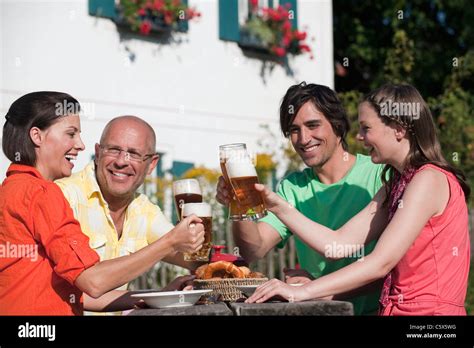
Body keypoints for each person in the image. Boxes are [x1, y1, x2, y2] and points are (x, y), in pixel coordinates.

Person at [246, 83, 471, 316]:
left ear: (398, 129)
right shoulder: (396, 183)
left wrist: (303, 291)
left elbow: (379, 263)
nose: (359, 136)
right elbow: (338, 244)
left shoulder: (428, 180)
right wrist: (277, 205)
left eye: (366, 128)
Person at [0, 91, 205, 315]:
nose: (80, 144)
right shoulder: (44, 193)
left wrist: (159, 296)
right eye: (71, 134)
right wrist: (170, 242)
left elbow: (81, 293)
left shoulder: (13, 188)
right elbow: (93, 282)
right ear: (37, 136)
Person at [216, 82, 385, 315]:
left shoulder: (379, 174)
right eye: (294, 130)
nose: (304, 138)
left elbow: (388, 267)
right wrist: (238, 203)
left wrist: (314, 288)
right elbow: (253, 250)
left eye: (313, 125)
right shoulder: (292, 187)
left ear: (337, 125)